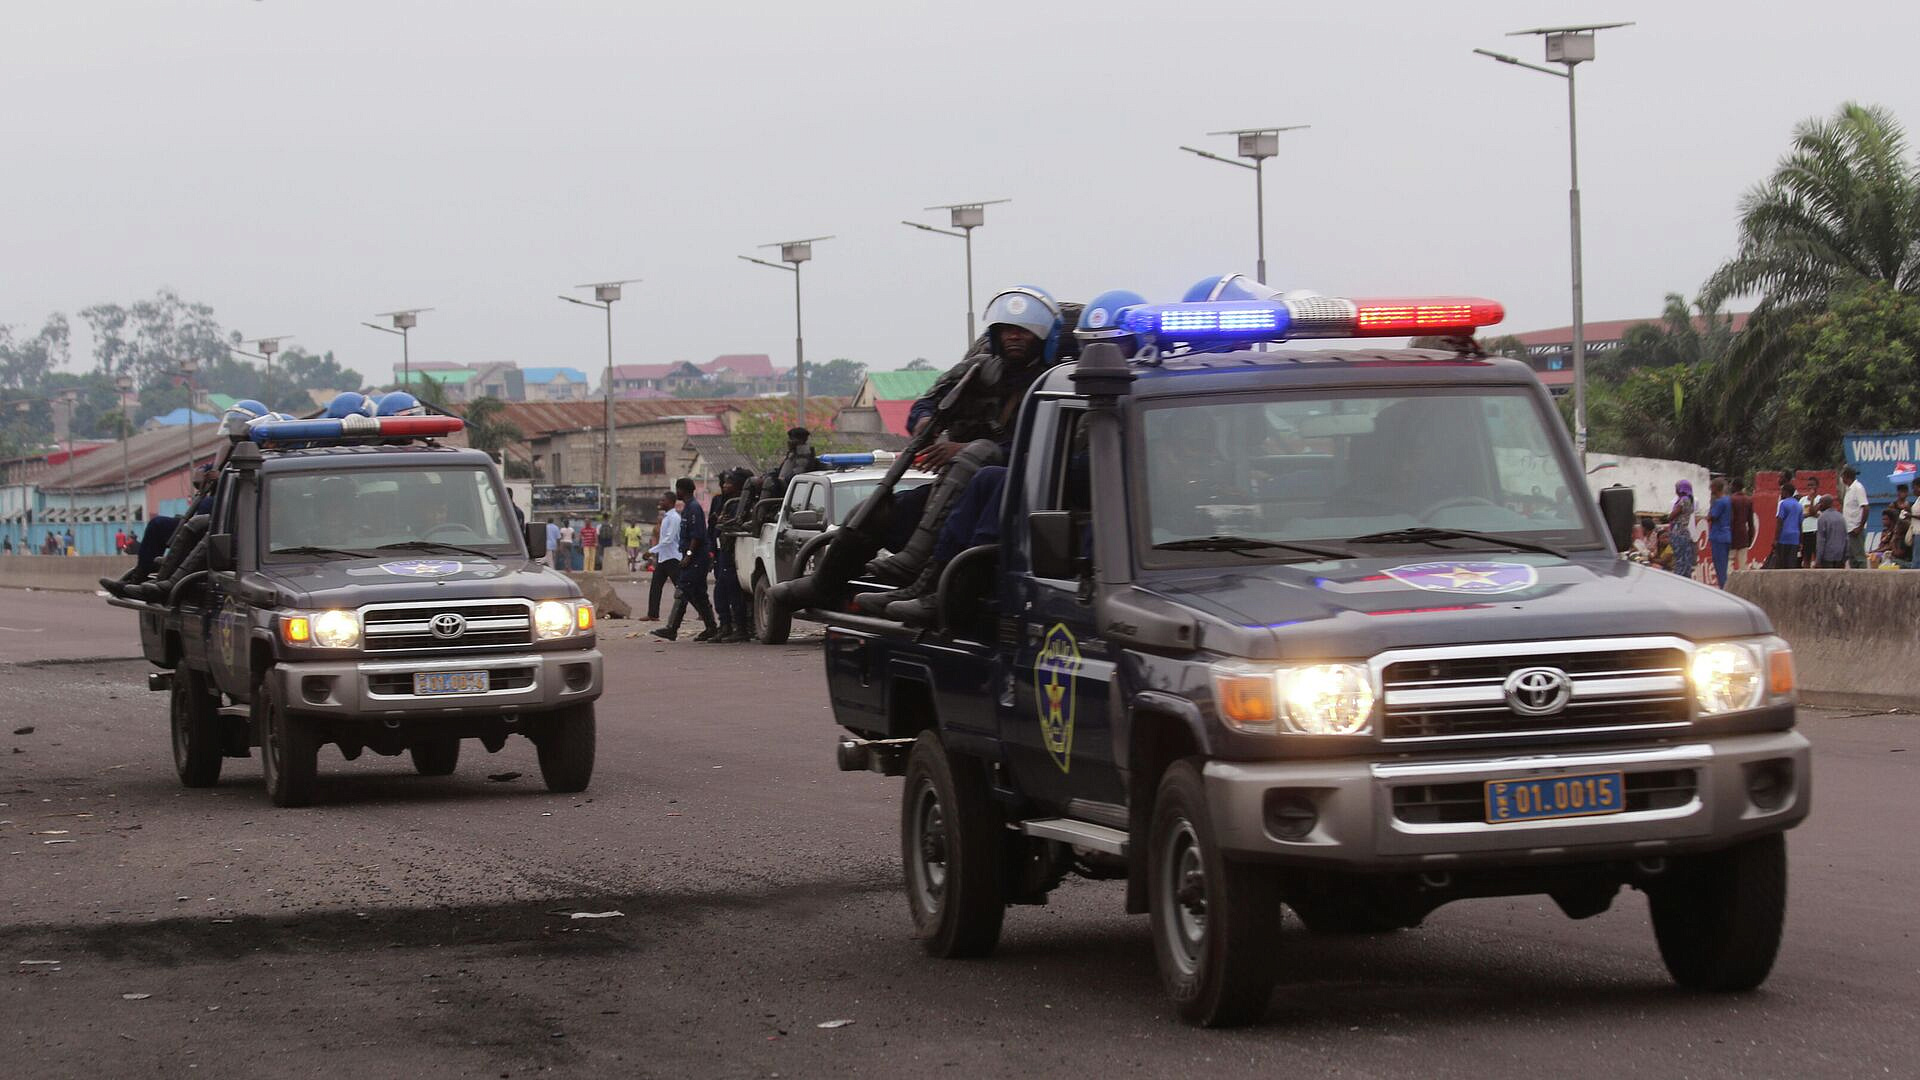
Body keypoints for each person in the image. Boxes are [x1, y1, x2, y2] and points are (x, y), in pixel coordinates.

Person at [651, 477, 717, 642]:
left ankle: (672, 628)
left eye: (677, 489)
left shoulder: (693, 508)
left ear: (682, 490)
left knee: (682, 590)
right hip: (692, 556)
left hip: (696, 558)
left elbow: (697, 536)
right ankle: (711, 627)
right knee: (699, 593)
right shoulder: (688, 508)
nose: (676, 492)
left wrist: (688, 555)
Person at [706, 470, 752, 642]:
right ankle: (725, 626)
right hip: (721, 551)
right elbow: (713, 528)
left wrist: (722, 521)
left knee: (734, 592)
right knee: (720, 592)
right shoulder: (722, 501)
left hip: (734, 552)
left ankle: (741, 628)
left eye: (729, 483)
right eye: (724, 482)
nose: (725, 485)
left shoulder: (741, 503)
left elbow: (735, 524)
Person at [645, 492, 682, 621]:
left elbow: (668, 539)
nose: (660, 502)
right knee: (655, 585)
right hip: (663, 558)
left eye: (663, 500)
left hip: (673, 558)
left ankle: (703, 612)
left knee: (682, 587)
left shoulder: (674, 518)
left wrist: (651, 551)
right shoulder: (666, 517)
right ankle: (653, 614)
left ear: (671, 502)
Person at [1706, 477, 1732, 588]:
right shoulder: (1728, 500)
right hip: (1726, 534)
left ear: (1715, 488)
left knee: (1720, 566)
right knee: (1724, 564)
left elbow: (1712, 516)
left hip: (1718, 536)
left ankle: (1724, 588)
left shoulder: (1719, 502)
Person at [1771, 480, 1803, 569]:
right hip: (1795, 538)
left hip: (1784, 537)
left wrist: (1776, 539)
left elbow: (1780, 522)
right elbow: (1800, 525)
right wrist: (1800, 541)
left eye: (1782, 491)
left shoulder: (1783, 504)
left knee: (1781, 563)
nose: (1781, 493)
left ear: (1785, 492)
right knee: (1792, 563)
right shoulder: (1799, 505)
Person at [1668, 479, 1697, 579]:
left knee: (1680, 558)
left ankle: (1679, 578)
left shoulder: (1683, 500)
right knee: (1685, 557)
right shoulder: (1690, 500)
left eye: (1677, 488)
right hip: (1684, 531)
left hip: (1678, 532)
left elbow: (1672, 516)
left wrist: (1668, 516)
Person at [1841, 466, 1868, 569]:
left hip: (1856, 529)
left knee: (1859, 557)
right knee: (1852, 558)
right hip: (1849, 529)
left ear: (1846, 476)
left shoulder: (1858, 488)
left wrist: (1860, 527)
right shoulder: (1849, 489)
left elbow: (1865, 507)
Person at [1728, 477, 1755, 572]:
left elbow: (1731, 520)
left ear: (1735, 486)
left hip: (1733, 535)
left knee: (1729, 562)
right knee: (1743, 565)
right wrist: (1750, 537)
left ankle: (1730, 585)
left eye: (1731, 485)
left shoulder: (1731, 500)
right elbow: (1751, 522)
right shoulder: (1748, 500)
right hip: (1744, 535)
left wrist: (1728, 536)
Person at [1815, 495, 1849, 568]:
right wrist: (1845, 556)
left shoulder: (1822, 518)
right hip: (1840, 556)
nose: (1819, 505)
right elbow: (1846, 538)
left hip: (1827, 557)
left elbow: (1821, 541)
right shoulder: (1841, 517)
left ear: (1825, 504)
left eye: (1820, 503)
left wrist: (1818, 560)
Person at [1797, 476, 1821, 568]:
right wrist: (1812, 513)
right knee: (1806, 557)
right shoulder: (1802, 500)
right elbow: (1800, 515)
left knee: (1817, 556)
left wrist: (1811, 501)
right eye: (1809, 485)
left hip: (1816, 531)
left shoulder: (1820, 499)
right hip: (1805, 532)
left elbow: (1813, 512)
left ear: (1817, 486)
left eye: (1813, 485)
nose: (1811, 487)